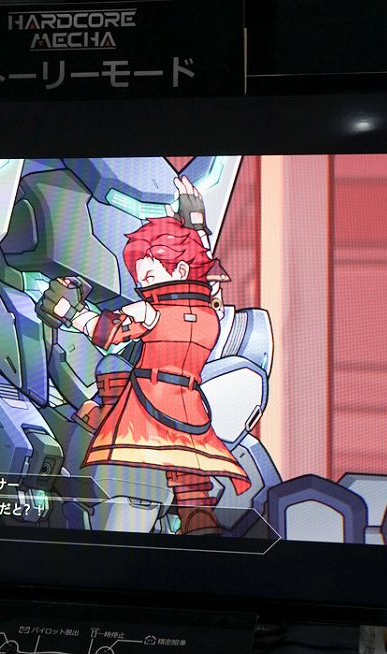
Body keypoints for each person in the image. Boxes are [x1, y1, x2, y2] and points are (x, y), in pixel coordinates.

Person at [38, 177, 250, 535]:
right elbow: (203, 270)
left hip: (148, 404)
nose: (143, 286)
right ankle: (198, 521)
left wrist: (69, 311)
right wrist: (195, 224)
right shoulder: (209, 311)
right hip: (189, 405)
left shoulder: (152, 311)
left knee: (115, 389)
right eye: (141, 280)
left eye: (149, 276)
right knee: (188, 473)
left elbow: (107, 333)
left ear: (177, 271)